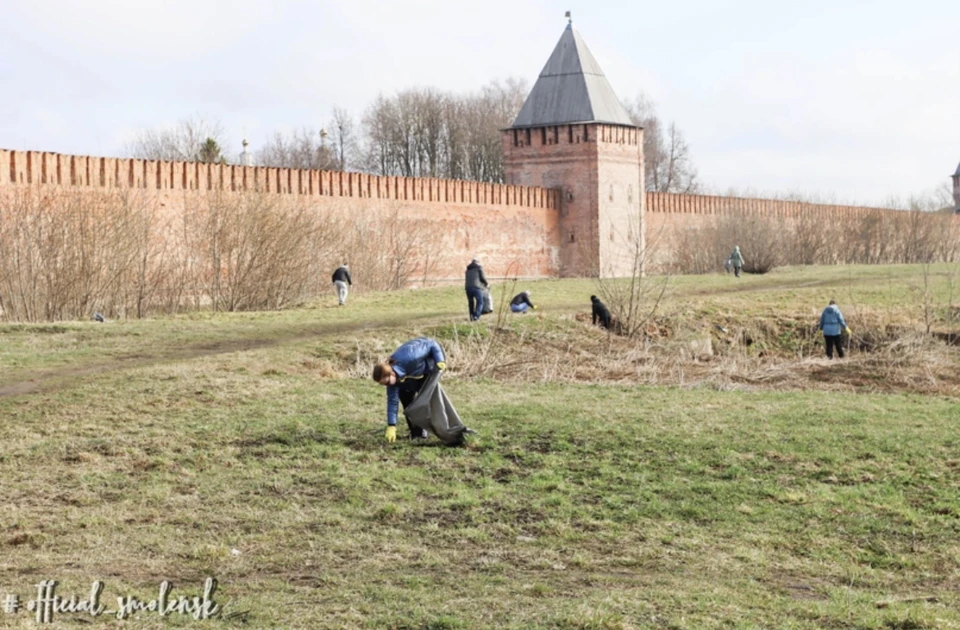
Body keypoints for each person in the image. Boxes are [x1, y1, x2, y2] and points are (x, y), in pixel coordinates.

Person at [372, 337, 469, 446]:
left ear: (391, 374)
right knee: (407, 401)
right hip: (409, 378)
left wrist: (440, 360)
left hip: (427, 369)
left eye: (387, 382)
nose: (387, 385)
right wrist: (391, 426)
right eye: (384, 384)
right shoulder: (393, 382)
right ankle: (417, 433)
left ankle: (447, 430)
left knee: (428, 401)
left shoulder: (410, 357)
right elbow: (392, 403)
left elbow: (431, 344)